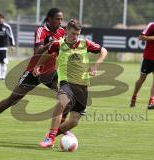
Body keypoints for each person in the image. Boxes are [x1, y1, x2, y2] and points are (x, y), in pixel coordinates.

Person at [0, 8, 66, 140]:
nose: (60, 22)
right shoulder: (41, 31)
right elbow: (37, 51)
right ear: (49, 19)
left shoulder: (62, 32)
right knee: (13, 99)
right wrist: (49, 45)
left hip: (51, 72)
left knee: (66, 99)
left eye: (62, 19)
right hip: (34, 71)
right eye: (58, 19)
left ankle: (59, 130)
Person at [33, 19, 108, 148]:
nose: (76, 37)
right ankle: (50, 138)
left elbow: (104, 51)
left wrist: (96, 66)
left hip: (82, 86)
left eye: (78, 34)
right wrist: (38, 65)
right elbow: (47, 53)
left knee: (73, 122)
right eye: (73, 33)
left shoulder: (85, 44)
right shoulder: (58, 44)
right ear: (66, 31)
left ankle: (51, 136)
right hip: (66, 82)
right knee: (61, 102)